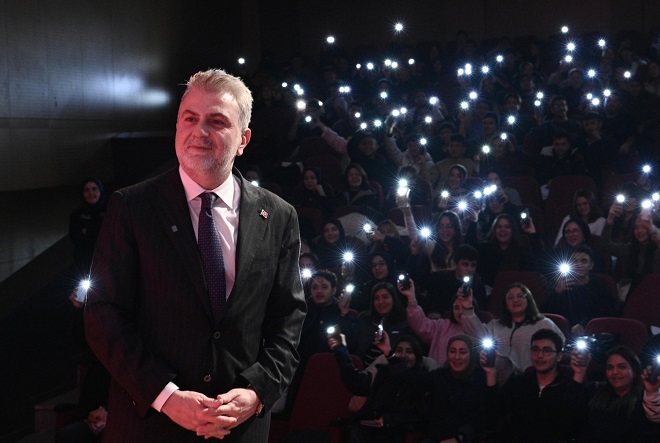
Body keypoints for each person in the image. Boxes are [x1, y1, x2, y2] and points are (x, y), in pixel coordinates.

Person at [84, 69, 307, 442]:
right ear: (177, 127)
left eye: (216, 121)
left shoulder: (279, 215)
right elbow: (102, 316)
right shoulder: (132, 207)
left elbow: (288, 319)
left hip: (240, 428)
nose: (199, 131)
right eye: (190, 118)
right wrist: (167, 397)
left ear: (243, 139)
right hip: (149, 426)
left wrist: (257, 392)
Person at [328, 333, 431, 443]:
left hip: (395, 431)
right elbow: (357, 384)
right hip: (370, 428)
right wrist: (341, 350)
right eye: (399, 350)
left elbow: (419, 416)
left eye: (409, 352)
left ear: (417, 356)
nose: (403, 355)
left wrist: (387, 419)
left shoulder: (421, 380)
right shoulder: (384, 373)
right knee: (352, 431)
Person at [495, 329, 589, 442]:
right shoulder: (520, 382)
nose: (539, 355)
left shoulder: (568, 385)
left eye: (547, 351)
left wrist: (579, 374)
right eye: (535, 350)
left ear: (559, 356)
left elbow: (576, 423)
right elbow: (495, 411)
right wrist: (490, 373)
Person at [460, 283, 565, 373]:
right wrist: (467, 307)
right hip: (498, 377)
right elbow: (476, 334)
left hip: (531, 378)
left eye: (520, 296)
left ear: (528, 300)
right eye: (510, 297)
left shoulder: (544, 324)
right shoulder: (495, 325)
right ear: (506, 304)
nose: (515, 300)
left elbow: (559, 348)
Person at [582, 346, 660, 442]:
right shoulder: (594, 390)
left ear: (634, 370)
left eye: (622, 367)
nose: (615, 372)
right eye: (610, 368)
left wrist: (652, 392)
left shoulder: (646, 397)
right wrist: (579, 373)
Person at [545, 244, 618, 335]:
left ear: (591, 265)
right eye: (574, 261)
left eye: (583, 261)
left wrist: (584, 324)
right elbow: (547, 316)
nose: (578, 265)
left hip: (592, 334)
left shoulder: (599, 286)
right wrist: (556, 293)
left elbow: (607, 314)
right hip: (562, 334)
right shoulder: (560, 286)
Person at [69, 177, 106, 277]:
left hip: (108, 263)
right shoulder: (76, 216)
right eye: (87, 190)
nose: (91, 193)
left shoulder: (110, 213)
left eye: (94, 189)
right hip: (85, 266)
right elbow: (78, 240)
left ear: (100, 191)